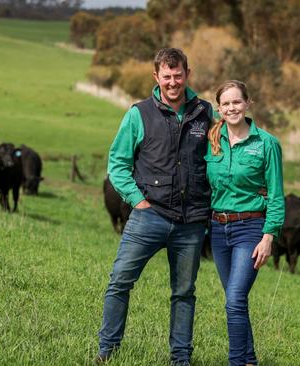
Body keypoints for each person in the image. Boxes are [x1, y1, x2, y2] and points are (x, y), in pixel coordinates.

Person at [96, 48, 214, 366]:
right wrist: (139, 202)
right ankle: (107, 351)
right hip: (149, 216)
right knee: (120, 280)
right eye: (167, 76)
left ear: (187, 73)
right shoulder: (139, 114)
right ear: (156, 77)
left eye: (178, 75)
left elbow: (218, 160)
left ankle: (180, 358)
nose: (173, 82)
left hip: (191, 222)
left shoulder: (206, 113)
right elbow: (117, 164)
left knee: (184, 292)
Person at [206, 80, 285, 366]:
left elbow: (276, 195)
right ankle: (249, 360)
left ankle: (237, 362)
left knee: (235, 300)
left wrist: (269, 236)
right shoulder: (212, 141)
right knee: (235, 301)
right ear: (219, 109)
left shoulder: (266, 144)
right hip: (218, 229)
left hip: (250, 229)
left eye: (236, 102)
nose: (232, 108)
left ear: (248, 103)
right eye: (225, 104)